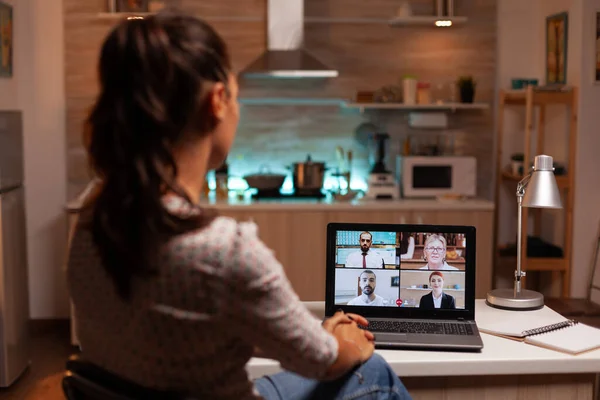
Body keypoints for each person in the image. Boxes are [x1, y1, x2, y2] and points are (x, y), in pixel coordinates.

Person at [66, 11, 412, 400]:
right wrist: (351, 344)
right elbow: (322, 362)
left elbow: (208, 325)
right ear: (217, 101)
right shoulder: (223, 250)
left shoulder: (93, 219)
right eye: (236, 95)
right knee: (374, 371)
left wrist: (317, 332)